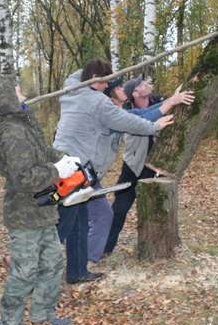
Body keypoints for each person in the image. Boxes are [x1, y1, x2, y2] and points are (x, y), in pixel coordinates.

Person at [53, 59, 174, 284]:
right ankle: (26, 267)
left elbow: (77, 75)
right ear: (102, 84)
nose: (120, 87)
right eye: (115, 84)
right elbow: (132, 122)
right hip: (74, 171)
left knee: (80, 221)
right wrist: (155, 127)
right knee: (64, 223)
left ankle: (77, 271)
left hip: (74, 168)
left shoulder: (71, 89)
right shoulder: (100, 104)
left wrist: (98, 72)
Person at [0, 76, 77, 325]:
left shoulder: (24, 120)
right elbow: (23, 177)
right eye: (15, 88)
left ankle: (42, 313)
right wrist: (57, 171)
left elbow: (41, 151)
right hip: (24, 213)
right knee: (24, 271)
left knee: (53, 262)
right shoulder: (11, 131)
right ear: (7, 97)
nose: (20, 89)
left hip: (44, 207)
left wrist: (64, 158)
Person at [84, 76, 194, 263]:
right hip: (132, 166)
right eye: (141, 85)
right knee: (118, 208)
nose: (147, 85)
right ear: (133, 93)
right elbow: (142, 119)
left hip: (153, 167)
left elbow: (149, 112)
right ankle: (101, 248)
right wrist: (171, 102)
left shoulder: (155, 102)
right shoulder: (118, 113)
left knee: (153, 207)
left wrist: (171, 101)